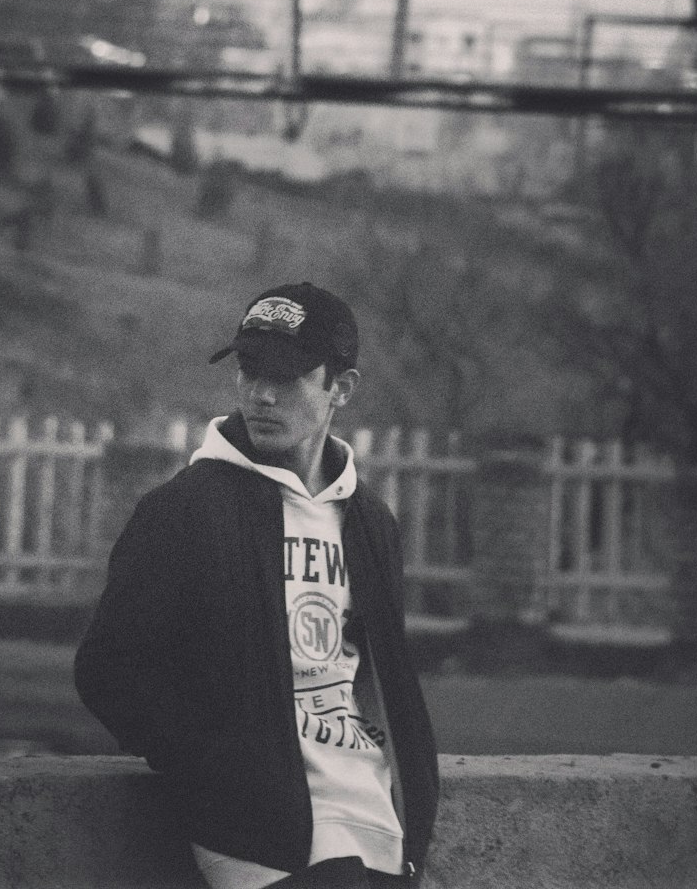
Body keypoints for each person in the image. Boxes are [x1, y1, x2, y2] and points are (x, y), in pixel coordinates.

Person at [74, 282, 439, 889]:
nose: (262, 394)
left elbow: (383, 682)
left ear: (340, 389)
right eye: (250, 370)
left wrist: (416, 799)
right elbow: (109, 672)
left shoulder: (372, 524)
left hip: (377, 822)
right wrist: (222, 771)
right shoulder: (184, 511)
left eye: (289, 375)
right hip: (259, 839)